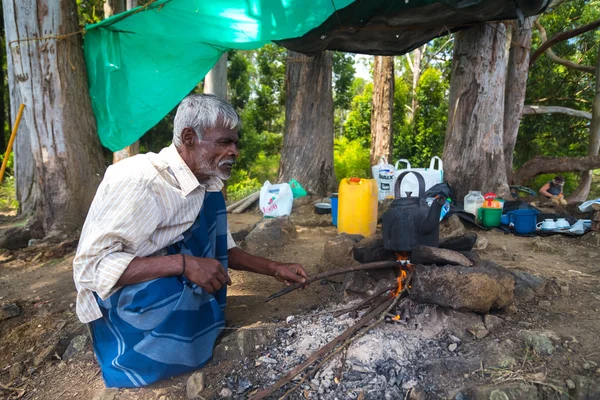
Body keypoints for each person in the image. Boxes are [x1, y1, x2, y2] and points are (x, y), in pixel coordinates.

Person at [73, 94, 308, 388]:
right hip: (124, 297)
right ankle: (142, 353)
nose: (234, 151)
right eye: (224, 142)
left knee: (210, 207)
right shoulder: (140, 180)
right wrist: (184, 264)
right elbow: (92, 269)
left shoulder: (204, 183)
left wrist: (274, 268)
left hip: (163, 269)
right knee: (168, 290)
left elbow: (224, 250)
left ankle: (198, 322)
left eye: (235, 143)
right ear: (189, 137)